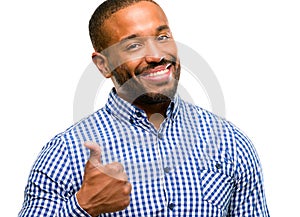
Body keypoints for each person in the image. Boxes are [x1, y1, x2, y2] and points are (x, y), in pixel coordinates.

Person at [19, 0, 270, 216]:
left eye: (162, 37)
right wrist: (83, 206)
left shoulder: (230, 142)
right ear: (103, 65)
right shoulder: (66, 153)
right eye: (133, 46)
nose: (156, 55)